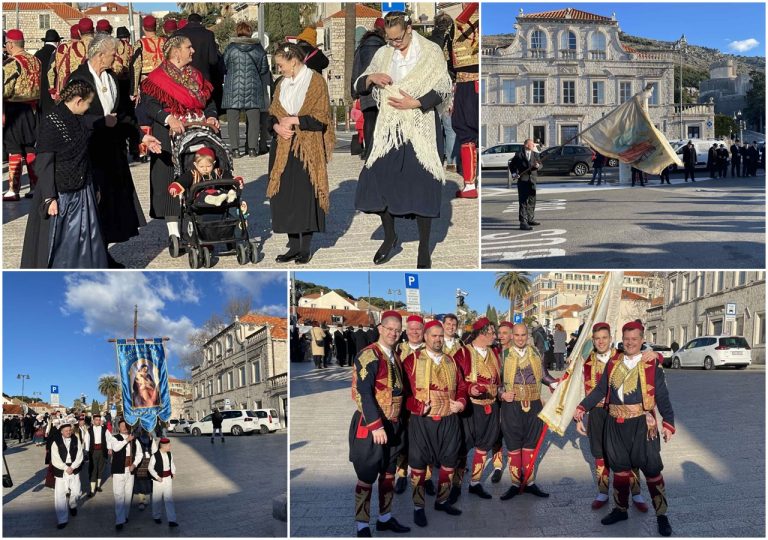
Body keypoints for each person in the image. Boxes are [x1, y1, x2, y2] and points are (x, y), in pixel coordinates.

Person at [354, 12, 452, 268]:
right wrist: (371, 78)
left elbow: (444, 85)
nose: (394, 43)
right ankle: (389, 236)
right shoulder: (384, 54)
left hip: (421, 127)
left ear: (409, 28)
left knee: (422, 186)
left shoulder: (430, 51)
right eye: (390, 38)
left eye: (398, 38)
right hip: (390, 129)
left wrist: (417, 102)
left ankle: (423, 249)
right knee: (376, 180)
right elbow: (359, 84)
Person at [574, 321, 675, 537]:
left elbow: (662, 396)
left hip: (642, 424)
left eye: (634, 339)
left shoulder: (651, 364)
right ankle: (621, 509)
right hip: (614, 424)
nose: (630, 343)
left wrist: (668, 422)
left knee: (652, 470)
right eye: (627, 339)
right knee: (619, 469)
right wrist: (582, 407)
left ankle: (662, 515)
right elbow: (601, 389)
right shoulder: (613, 363)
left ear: (642, 340)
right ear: (622, 339)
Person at [69, 34, 159, 267]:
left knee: (110, 207)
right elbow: (69, 117)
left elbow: (125, 114)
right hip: (88, 153)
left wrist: (141, 136)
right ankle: (92, 257)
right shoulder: (78, 79)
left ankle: (103, 254)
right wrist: (100, 121)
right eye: (112, 53)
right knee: (93, 208)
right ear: (100, 55)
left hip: (113, 154)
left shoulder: (111, 78)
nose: (115, 57)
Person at [138, 34, 218, 250]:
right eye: (189, 47)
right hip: (168, 134)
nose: (193, 51)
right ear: (176, 52)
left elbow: (208, 102)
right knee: (168, 180)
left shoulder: (197, 75)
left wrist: (211, 116)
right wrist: (168, 118)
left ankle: (201, 226)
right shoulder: (157, 78)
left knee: (200, 175)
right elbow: (150, 106)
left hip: (197, 131)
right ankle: (174, 233)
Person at [20, 80, 110, 268]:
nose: (88, 108)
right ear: (78, 101)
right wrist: (49, 198)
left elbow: (90, 124)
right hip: (59, 194)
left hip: (83, 191)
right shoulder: (52, 122)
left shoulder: (77, 118)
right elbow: (44, 163)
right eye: (87, 104)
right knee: (59, 244)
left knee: (88, 240)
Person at [267, 42, 335, 265]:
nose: (279, 69)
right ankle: (292, 246)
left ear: (293, 61)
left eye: (280, 65)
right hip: (283, 145)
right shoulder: (281, 84)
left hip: (307, 145)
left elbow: (322, 116)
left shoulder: (315, 81)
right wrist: (277, 127)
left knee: (305, 196)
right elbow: (271, 114)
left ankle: (305, 247)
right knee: (285, 196)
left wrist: (296, 120)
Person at [576, 322, 652, 511]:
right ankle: (602, 492)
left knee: (629, 453)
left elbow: (647, 364)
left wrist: (655, 354)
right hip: (596, 413)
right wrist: (580, 415)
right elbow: (578, 390)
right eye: (597, 338)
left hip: (619, 413)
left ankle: (636, 493)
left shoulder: (622, 357)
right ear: (593, 341)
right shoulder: (585, 361)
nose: (601, 341)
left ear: (611, 338)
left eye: (604, 337)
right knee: (599, 453)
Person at [349, 310, 410, 537]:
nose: (393, 333)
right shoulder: (369, 355)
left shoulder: (395, 356)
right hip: (372, 425)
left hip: (393, 424)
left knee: (388, 474)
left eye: (397, 330)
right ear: (380, 329)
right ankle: (362, 525)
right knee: (366, 476)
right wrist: (376, 425)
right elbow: (364, 392)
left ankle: (385, 518)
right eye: (389, 329)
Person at [403, 320, 467, 527]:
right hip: (423, 421)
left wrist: (461, 402)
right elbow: (403, 393)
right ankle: (418, 506)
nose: (438, 339)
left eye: (441, 336)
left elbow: (462, 387)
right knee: (419, 464)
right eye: (434, 336)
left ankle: (442, 500)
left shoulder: (451, 361)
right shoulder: (412, 360)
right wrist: (418, 406)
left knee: (450, 460)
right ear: (425, 337)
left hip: (449, 419)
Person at [498, 323, 557, 501]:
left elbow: (544, 376)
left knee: (530, 443)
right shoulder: (503, 355)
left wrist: (556, 384)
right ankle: (515, 483)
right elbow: (497, 382)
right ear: (512, 336)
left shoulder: (537, 353)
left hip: (534, 404)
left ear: (528, 336)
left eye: (523, 335)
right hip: (512, 405)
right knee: (514, 444)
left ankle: (529, 483)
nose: (520, 338)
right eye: (517, 335)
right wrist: (502, 394)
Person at [451, 317, 501, 502]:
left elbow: (498, 380)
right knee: (462, 447)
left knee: (484, 445)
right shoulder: (463, 353)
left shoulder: (493, 352)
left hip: (491, 405)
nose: (494, 336)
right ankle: (456, 485)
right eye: (492, 333)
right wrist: (470, 388)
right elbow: (456, 380)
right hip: (470, 408)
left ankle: (475, 483)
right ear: (482, 333)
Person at [3, 29, 41, 202]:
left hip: (16, 110)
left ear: (10, 44)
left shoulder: (11, 63)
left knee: (14, 149)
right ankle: (35, 185)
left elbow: (5, 89)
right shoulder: (36, 60)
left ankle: (13, 188)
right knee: (30, 148)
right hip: (34, 108)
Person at [221, 22, 268, 158]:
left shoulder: (231, 48)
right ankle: (252, 149)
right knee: (253, 121)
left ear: (237, 32)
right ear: (250, 32)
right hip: (253, 86)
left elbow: (223, 66)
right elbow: (264, 69)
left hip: (233, 87)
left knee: (233, 121)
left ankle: (235, 150)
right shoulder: (259, 49)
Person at [449, 3, 480, 200]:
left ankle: (470, 184)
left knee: (467, 132)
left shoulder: (460, 21)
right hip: (468, 82)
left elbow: (451, 59)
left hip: (467, 83)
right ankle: (470, 184)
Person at [351, 18, 386, 160]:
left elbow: (355, 69)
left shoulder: (361, 47)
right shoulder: (384, 47)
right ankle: (380, 151)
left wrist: (355, 93)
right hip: (381, 88)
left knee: (369, 120)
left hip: (364, 88)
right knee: (381, 121)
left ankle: (369, 150)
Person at [51, 419, 83, 529]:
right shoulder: (56, 442)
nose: (68, 432)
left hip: (74, 468)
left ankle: (72, 504)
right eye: (66, 431)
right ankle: (62, 519)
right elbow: (55, 458)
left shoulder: (76, 439)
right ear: (61, 431)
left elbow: (80, 455)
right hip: (61, 470)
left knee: (77, 492)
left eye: (69, 430)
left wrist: (73, 466)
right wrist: (65, 468)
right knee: (60, 496)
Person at [109, 420, 141, 530]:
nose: (124, 427)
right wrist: (127, 440)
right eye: (121, 425)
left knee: (128, 495)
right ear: (118, 427)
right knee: (119, 495)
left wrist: (135, 464)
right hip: (118, 470)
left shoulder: (134, 440)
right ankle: (119, 520)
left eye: (125, 425)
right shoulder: (115, 438)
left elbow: (139, 454)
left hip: (129, 469)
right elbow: (116, 448)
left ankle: (125, 516)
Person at [174, 13, 219, 83]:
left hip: (183, 76)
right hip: (203, 78)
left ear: (188, 21)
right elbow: (213, 60)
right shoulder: (209, 34)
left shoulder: (178, 33)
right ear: (200, 22)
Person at [508, 139, 542, 230]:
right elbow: (512, 166)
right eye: (532, 144)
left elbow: (541, 164)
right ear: (526, 145)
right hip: (523, 180)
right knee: (523, 202)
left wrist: (538, 166)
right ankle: (523, 222)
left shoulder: (535, 154)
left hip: (532, 181)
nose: (534, 145)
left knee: (532, 200)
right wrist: (514, 174)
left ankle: (530, 219)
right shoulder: (519, 155)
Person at [149, 437, 178, 527]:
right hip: (158, 481)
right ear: (163, 446)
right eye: (169, 445)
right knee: (157, 499)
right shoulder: (155, 455)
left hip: (168, 479)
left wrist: (173, 472)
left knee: (169, 499)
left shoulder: (170, 454)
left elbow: (172, 464)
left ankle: (172, 520)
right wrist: (157, 477)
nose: (170, 447)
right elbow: (150, 468)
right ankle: (156, 516)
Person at [48, 25, 83, 100]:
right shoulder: (84, 47)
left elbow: (51, 70)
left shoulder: (61, 48)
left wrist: (52, 87)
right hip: (81, 87)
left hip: (63, 88)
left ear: (70, 35)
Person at [35, 29, 61, 116]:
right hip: (54, 93)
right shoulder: (59, 54)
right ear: (57, 42)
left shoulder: (37, 54)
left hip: (40, 95)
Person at [87, 413, 108, 496]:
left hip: (102, 451)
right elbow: (86, 440)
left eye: (99, 420)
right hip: (93, 451)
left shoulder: (104, 429)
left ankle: (98, 486)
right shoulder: (89, 430)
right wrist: (86, 451)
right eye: (96, 420)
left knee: (100, 468)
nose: (98, 421)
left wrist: (109, 448)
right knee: (93, 469)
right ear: (93, 421)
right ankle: (92, 490)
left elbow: (109, 438)